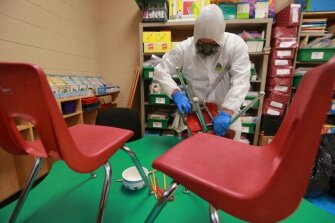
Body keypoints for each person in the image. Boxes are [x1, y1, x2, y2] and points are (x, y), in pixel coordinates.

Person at [153, 4, 251, 140]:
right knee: (196, 157)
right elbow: (160, 70)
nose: (206, 49)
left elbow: (241, 81)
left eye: (212, 45)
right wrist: (176, 93)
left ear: (220, 37)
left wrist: (227, 112)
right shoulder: (185, 48)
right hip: (197, 117)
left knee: (228, 157)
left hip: (227, 117)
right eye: (202, 44)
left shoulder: (235, 45)